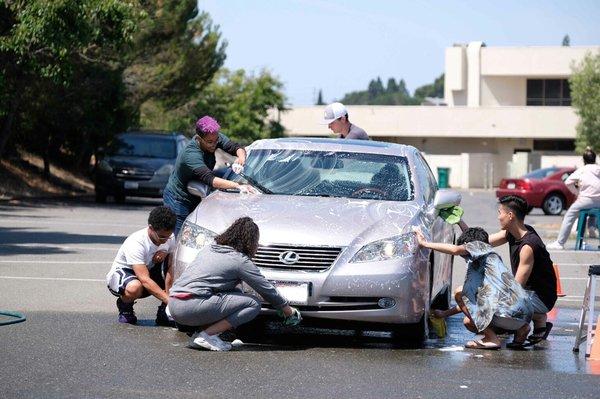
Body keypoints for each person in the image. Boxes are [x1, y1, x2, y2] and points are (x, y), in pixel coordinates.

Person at [168, 217, 301, 351]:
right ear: (250, 242)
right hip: (190, 306)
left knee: (236, 294)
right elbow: (265, 288)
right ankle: (207, 336)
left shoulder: (210, 249)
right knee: (252, 304)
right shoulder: (239, 260)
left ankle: (206, 333)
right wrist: (287, 309)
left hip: (174, 304)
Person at [459, 196, 557, 344]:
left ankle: (529, 321)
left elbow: (515, 291)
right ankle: (535, 322)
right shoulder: (513, 233)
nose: (498, 217)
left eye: (500, 213)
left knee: (475, 316)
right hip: (526, 293)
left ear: (510, 216)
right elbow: (480, 244)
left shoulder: (528, 247)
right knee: (475, 317)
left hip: (540, 298)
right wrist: (459, 221)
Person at [416, 227, 533, 350]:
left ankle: (491, 338)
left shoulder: (478, 246)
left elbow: (456, 250)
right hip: (524, 314)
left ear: (469, 245)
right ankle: (521, 330)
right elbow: (471, 302)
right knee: (468, 321)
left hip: (505, 313)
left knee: (459, 293)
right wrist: (445, 313)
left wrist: (425, 244)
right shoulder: (491, 259)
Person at [163, 115, 254, 236]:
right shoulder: (191, 154)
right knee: (179, 238)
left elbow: (236, 147)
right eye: (210, 142)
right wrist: (238, 186)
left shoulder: (214, 137)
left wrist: (241, 158)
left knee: (194, 236)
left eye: (216, 140)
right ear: (199, 139)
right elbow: (209, 179)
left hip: (196, 195)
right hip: (178, 199)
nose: (214, 144)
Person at [106, 206, 176, 326]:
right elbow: (144, 279)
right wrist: (171, 302)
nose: (165, 240)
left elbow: (171, 269)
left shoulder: (170, 237)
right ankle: (125, 306)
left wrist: (165, 253)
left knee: (175, 263)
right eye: (162, 237)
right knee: (134, 287)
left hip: (148, 271)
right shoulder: (136, 242)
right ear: (151, 228)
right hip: (126, 274)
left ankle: (165, 312)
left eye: (168, 236)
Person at [547, 147, 600, 250]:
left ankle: (560, 243)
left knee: (569, 216)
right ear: (595, 159)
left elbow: (568, 182)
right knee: (593, 212)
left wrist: (577, 192)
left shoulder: (583, 169)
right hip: (599, 201)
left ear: (584, 160)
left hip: (586, 199)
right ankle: (592, 226)